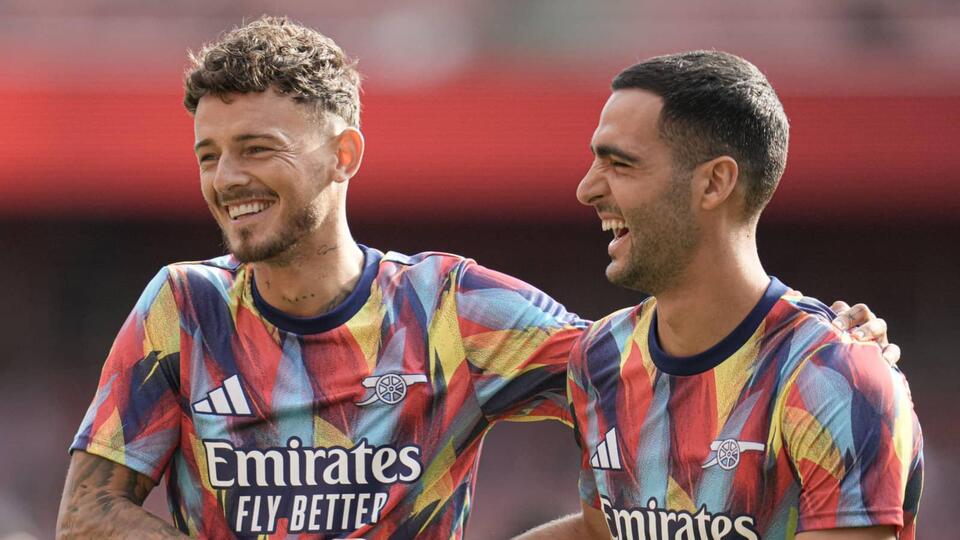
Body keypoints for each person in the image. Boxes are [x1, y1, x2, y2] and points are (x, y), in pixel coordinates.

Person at [55, 18, 898, 539]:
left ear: (344, 154)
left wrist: (817, 339)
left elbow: (651, 367)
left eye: (257, 149)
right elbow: (88, 513)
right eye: (209, 155)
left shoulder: (448, 310)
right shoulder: (183, 307)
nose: (227, 177)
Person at [518, 51, 923, 540]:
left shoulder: (834, 379)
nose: (586, 189)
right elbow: (601, 532)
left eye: (620, 164)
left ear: (714, 183)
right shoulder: (601, 356)